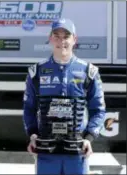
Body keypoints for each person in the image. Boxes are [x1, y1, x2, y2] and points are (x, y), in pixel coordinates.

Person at [23, 18, 106, 174]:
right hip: (46, 150)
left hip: (76, 151)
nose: (61, 41)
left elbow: (98, 110)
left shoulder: (89, 71)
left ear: (74, 39)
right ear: (50, 39)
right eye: (57, 36)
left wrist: (89, 138)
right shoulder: (36, 72)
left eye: (66, 36)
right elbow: (29, 108)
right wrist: (32, 135)